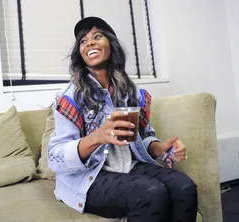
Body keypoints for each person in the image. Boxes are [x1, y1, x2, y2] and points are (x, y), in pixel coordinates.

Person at [48, 16, 197, 222]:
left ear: (111, 43)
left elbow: (143, 137)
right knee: (151, 193)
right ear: (80, 53)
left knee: (185, 187)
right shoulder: (70, 96)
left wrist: (162, 149)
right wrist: (98, 137)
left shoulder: (128, 90)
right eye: (83, 41)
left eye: (97, 36)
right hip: (90, 177)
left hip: (128, 167)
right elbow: (55, 157)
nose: (89, 43)